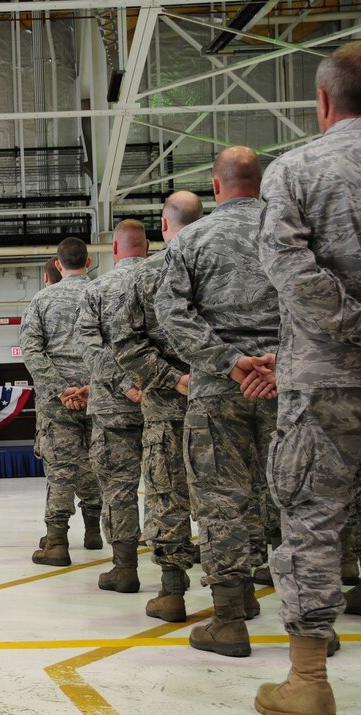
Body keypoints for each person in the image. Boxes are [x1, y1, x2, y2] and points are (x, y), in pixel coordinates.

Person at [254, 41, 361, 715]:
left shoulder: (295, 170)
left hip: (326, 377)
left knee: (313, 519)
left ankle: (309, 682)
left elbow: (287, 266)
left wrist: (349, 319)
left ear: (322, 101)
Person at [155, 146, 279, 658]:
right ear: (261, 180)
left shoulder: (193, 239)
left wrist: (229, 361)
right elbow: (318, 297)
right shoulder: (288, 230)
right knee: (294, 500)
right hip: (284, 384)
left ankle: (230, 618)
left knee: (221, 501)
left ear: (215, 185)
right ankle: (312, 623)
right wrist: (277, 360)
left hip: (217, 389)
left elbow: (172, 311)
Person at [111, 192, 203, 621]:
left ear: (163, 228)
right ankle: (234, 596)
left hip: (167, 406)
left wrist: (173, 379)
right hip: (228, 401)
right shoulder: (225, 261)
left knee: (167, 495)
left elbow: (125, 344)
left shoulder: (147, 274)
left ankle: (172, 591)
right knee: (230, 497)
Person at [76, 220, 149, 593]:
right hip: (164, 403)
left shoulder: (98, 289)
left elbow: (89, 347)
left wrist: (123, 385)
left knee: (119, 488)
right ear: (147, 246)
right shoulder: (165, 280)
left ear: (115, 250)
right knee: (169, 486)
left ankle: (125, 568)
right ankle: (174, 575)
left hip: (114, 409)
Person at [21, 238, 102, 564]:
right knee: (95, 465)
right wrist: (91, 387)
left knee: (61, 470)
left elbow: (31, 350)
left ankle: (56, 542)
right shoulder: (102, 294)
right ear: (89, 261)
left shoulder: (42, 301)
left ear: (58, 264)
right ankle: (94, 531)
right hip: (99, 398)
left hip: (58, 404)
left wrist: (60, 389)